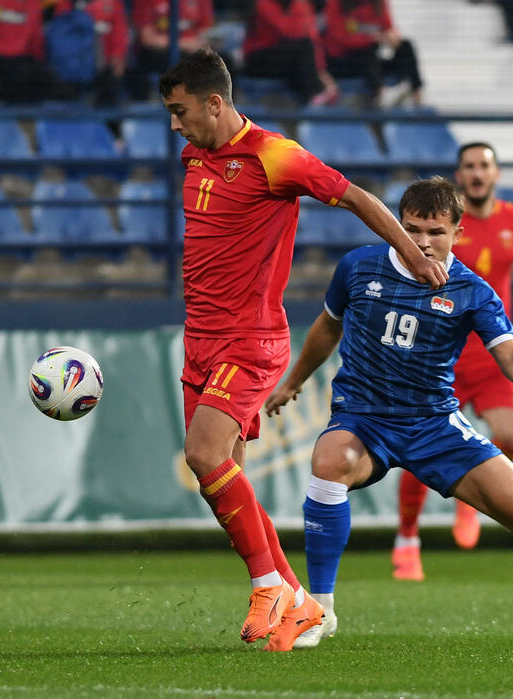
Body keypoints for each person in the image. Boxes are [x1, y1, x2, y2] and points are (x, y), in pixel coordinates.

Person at [263, 177, 513, 648]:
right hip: (364, 418)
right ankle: (318, 611)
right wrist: (293, 382)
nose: (422, 241)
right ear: (397, 227)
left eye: (435, 232)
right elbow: (327, 327)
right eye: (412, 228)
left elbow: (511, 358)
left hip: (434, 424)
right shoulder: (358, 268)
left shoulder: (473, 291)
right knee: (329, 461)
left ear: (458, 233)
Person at [158, 48, 448, 652]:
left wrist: (413, 256)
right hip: (200, 340)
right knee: (220, 474)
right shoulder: (195, 154)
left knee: (204, 453)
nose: (176, 125)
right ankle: (301, 602)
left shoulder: (274, 155)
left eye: (182, 111)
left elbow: (358, 197)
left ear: (216, 102)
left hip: (251, 337)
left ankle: (267, 585)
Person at [392, 143, 513, 581]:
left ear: (496, 173)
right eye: (469, 166)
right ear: (459, 175)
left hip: (492, 350)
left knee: (512, 435)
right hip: (441, 353)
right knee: (419, 449)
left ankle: (466, 496)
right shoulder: (441, 226)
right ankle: (407, 537)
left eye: (484, 166)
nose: (477, 173)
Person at [322, 0, 423, 108]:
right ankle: (381, 95)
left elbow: (387, 27)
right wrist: (374, 38)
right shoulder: (336, 1)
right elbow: (340, 38)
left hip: (370, 63)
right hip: (342, 62)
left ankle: (417, 99)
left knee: (405, 46)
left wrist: (392, 37)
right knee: (366, 52)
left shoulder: (378, 0)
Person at [241, 0, 339, 106]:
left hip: (285, 57)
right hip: (258, 58)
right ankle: (313, 95)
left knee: (305, 48)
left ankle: (312, 100)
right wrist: (301, 4)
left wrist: (321, 70)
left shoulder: (297, 2)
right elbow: (291, 31)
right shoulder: (263, 1)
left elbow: (312, 37)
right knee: (301, 47)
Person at [131, 0, 216, 101]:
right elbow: (148, 39)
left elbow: (206, 36)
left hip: (191, 51)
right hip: (157, 53)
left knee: (222, 63)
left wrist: (190, 44)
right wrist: (185, 44)